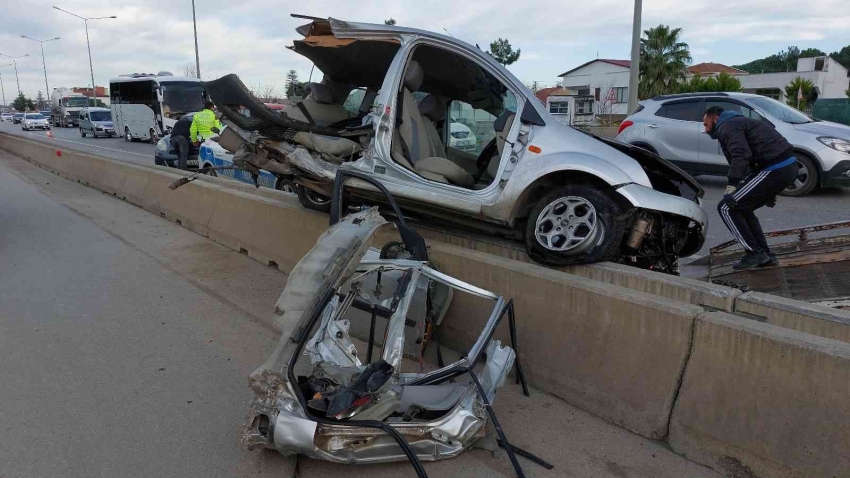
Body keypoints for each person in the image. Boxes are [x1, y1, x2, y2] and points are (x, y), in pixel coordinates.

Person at [703, 106, 799, 269]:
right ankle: (765, 254)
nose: (705, 130)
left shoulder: (727, 126)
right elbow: (753, 156)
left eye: (705, 124)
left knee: (726, 208)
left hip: (776, 168)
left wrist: (731, 187)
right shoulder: (739, 122)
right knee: (743, 208)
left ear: (715, 120)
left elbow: (741, 154)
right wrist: (765, 190)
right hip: (785, 167)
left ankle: (755, 254)